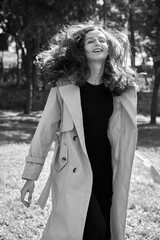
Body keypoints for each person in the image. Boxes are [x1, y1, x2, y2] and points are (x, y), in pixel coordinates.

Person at [20, 21, 138, 240]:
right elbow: (45, 128)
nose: (97, 43)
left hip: (107, 168)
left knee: (104, 229)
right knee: (93, 228)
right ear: (81, 49)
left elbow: (123, 132)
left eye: (102, 40)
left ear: (109, 48)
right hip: (73, 167)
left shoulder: (120, 88)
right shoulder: (64, 86)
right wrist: (31, 176)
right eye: (90, 41)